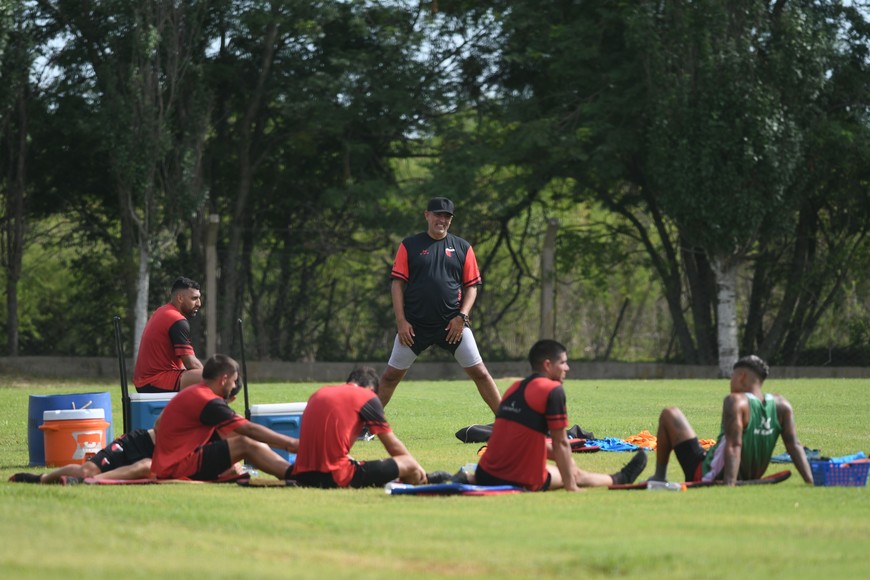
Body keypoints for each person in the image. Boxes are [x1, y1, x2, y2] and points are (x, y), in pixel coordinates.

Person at [455, 340, 647, 492]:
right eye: (563, 362)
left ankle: (463, 477)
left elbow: (515, 439)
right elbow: (560, 442)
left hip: (485, 472)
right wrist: (571, 485)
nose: (567, 368)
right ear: (548, 365)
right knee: (573, 475)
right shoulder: (552, 390)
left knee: (567, 467)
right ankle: (619, 479)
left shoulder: (514, 388)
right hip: (517, 477)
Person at [378, 197, 501, 414]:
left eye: (447, 216)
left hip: (452, 326)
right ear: (427, 215)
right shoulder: (409, 245)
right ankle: (364, 426)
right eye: (437, 214)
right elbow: (397, 285)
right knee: (390, 376)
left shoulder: (463, 247)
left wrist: (461, 317)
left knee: (480, 373)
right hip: (414, 327)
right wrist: (401, 322)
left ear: (451, 220)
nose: (441, 220)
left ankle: (509, 425)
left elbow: (472, 287)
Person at [649, 354, 814, 486]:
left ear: (741, 377)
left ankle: (659, 477)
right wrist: (810, 481)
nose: (730, 381)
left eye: (732, 376)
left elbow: (735, 445)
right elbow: (794, 446)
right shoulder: (782, 405)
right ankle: (662, 476)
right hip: (743, 472)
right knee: (687, 431)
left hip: (708, 474)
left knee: (669, 413)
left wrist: (729, 484)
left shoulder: (735, 402)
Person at [150, 354, 297, 482]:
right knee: (243, 443)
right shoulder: (207, 400)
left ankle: (290, 470)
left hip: (170, 463)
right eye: (233, 381)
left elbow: (158, 424)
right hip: (178, 466)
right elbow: (249, 429)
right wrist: (291, 443)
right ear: (223, 379)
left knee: (240, 437)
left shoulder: (194, 392)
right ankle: (295, 475)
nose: (234, 385)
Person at [290, 366, 429, 489]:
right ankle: (425, 481)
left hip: (301, 473)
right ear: (371, 389)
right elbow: (392, 445)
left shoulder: (319, 393)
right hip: (333, 475)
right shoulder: (367, 396)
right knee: (408, 463)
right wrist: (415, 466)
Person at [133, 276, 205, 393]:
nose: (199, 303)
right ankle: (222, 411)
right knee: (218, 378)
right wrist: (210, 376)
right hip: (155, 380)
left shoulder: (163, 311)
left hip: (147, 381)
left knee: (213, 377)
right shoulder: (176, 320)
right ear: (180, 298)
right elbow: (190, 362)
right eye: (194, 298)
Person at [8, 429, 156, 485]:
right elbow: (159, 424)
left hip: (156, 460)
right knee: (86, 470)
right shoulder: (178, 403)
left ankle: (82, 482)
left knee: (146, 467)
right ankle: (42, 478)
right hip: (139, 443)